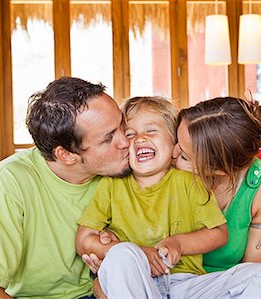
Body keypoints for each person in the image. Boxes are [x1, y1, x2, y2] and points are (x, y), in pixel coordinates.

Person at [88, 96, 261, 298]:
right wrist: (110, 257)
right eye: (176, 139)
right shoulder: (145, 171)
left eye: (184, 156)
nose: (173, 153)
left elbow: (249, 271)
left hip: (202, 288)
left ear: (218, 170)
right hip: (146, 285)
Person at [0, 77, 130, 298]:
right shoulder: (11, 181)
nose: (126, 141)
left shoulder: (126, 166)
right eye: (108, 138)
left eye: (122, 125)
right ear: (67, 155)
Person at [75, 96, 228, 298]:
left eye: (151, 131)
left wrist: (178, 244)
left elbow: (218, 233)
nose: (139, 138)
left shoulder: (190, 182)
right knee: (120, 255)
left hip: (185, 283)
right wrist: (136, 253)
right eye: (129, 134)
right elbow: (84, 240)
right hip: (135, 283)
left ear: (174, 141)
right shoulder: (111, 184)